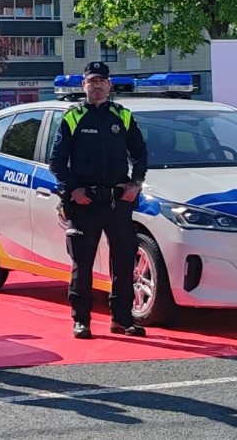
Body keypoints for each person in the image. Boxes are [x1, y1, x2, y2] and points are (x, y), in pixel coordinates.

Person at [48, 61, 149, 340]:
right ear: (84, 86)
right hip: (85, 202)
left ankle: (122, 319)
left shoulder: (123, 116)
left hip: (118, 201)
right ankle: (81, 320)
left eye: (101, 81)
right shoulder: (73, 117)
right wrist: (72, 191)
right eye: (91, 81)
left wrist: (136, 184)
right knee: (82, 263)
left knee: (124, 260)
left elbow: (141, 153)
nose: (96, 86)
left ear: (109, 85)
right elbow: (56, 162)